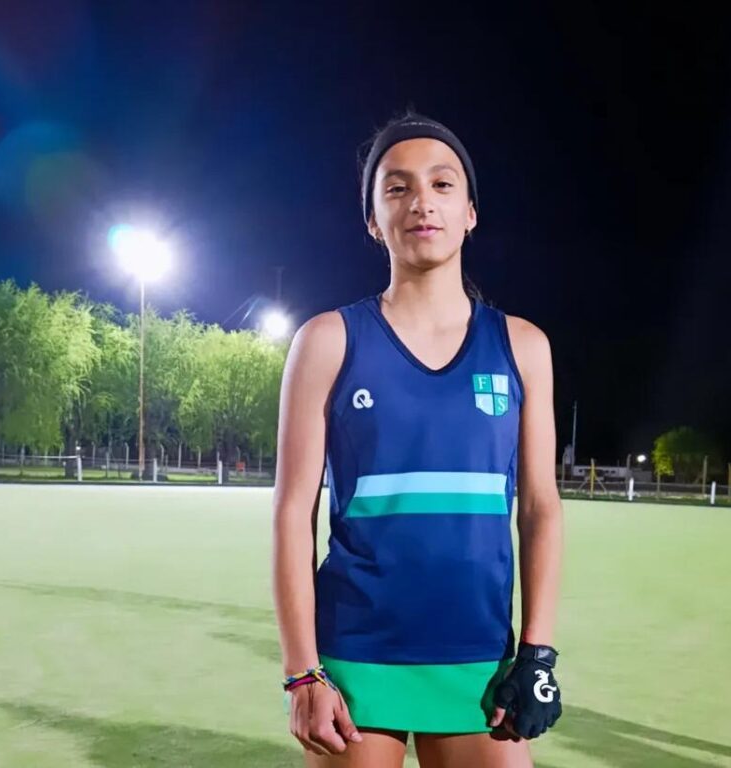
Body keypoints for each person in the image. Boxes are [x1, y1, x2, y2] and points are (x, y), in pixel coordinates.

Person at [272, 112, 564, 768]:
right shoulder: (327, 340)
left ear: (469, 213)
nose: (421, 201)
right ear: (373, 220)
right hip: (353, 660)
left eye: (442, 184)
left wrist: (538, 654)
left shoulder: (522, 346)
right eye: (397, 187)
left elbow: (540, 508)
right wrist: (302, 672)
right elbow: (292, 513)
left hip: (480, 661)